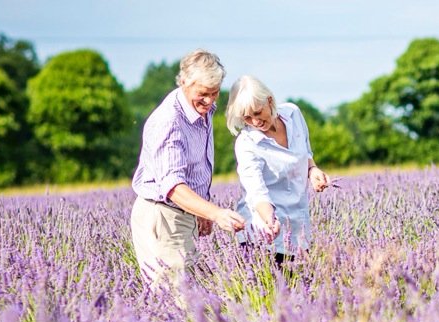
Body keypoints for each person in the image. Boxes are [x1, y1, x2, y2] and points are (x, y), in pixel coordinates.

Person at [129, 49, 246, 288]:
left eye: (214, 93)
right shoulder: (169, 122)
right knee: (176, 299)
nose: (209, 101)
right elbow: (172, 187)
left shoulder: (201, 109)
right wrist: (215, 213)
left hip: (182, 215)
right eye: (203, 93)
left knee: (194, 295)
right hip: (164, 217)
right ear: (183, 82)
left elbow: (194, 169)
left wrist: (201, 210)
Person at [224, 75, 330, 265]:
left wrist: (313, 170)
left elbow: (305, 153)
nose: (255, 121)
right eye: (247, 117)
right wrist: (269, 219)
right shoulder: (246, 144)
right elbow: (256, 192)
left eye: (258, 112)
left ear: (269, 101)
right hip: (264, 233)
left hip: (298, 227)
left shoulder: (293, 114)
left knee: (302, 281)